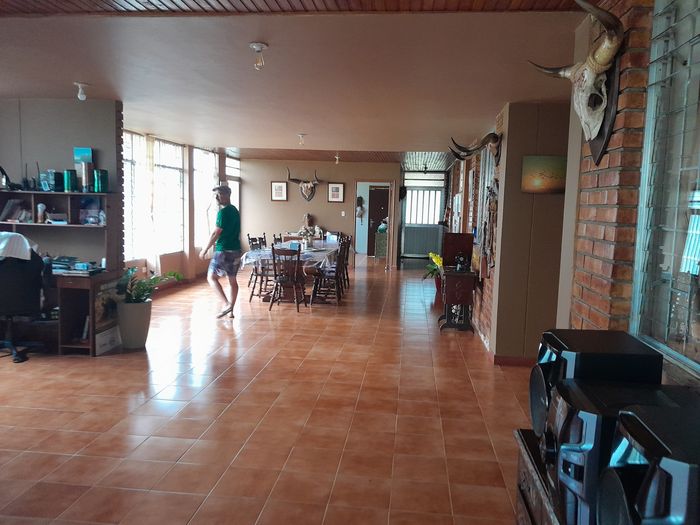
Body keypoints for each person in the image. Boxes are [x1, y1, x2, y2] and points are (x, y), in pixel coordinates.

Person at [199, 185, 241, 318]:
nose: (217, 198)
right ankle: (231, 310)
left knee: (211, 277)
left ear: (227, 195)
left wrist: (205, 249)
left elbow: (216, 233)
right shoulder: (235, 210)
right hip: (236, 250)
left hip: (223, 250)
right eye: (215, 196)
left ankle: (226, 304)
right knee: (232, 280)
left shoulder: (222, 213)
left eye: (219, 195)